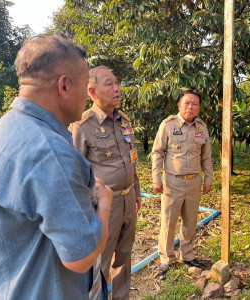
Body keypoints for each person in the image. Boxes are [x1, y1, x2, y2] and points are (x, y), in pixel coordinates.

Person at [0, 34, 113, 299]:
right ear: (64, 86)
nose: (87, 97)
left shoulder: (5, 128)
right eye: (85, 86)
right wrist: (105, 204)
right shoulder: (51, 153)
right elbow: (81, 257)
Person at [69, 66, 141, 300]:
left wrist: (136, 193)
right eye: (109, 84)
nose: (117, 88)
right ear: (92, 91)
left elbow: (131, 160)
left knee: (124, 255)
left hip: (128, 198)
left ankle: (121, 297)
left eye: (117, 83)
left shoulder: (124, 120)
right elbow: (74, 173)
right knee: (100, 259)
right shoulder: (83, 125)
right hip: (103, 206)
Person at [151, 90, 213, 275]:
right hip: (173, 181)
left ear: (199, 108)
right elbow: (157, 152)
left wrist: (208, 179)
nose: (190, 107)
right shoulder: (168, 125)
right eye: (186, 103)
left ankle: (187, 255)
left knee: (190, 221)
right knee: (169, 221)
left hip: (194, 181)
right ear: (179, 105)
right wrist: (156, 178)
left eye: (195, 104)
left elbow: (206, 157)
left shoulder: (202, 128)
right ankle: (166, 258)